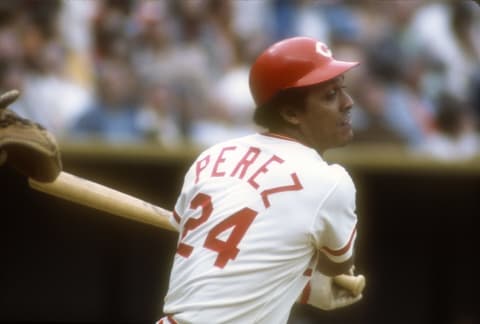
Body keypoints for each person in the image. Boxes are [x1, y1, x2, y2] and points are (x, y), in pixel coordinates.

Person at [157, 36, 363, 324]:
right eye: (330, 95)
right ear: (290, 113)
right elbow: (334, 265)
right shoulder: (329, 181)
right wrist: (310, 282)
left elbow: (223, 260)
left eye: (342, 89)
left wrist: (302, 285)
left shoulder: (212, 156)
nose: (348, 103)